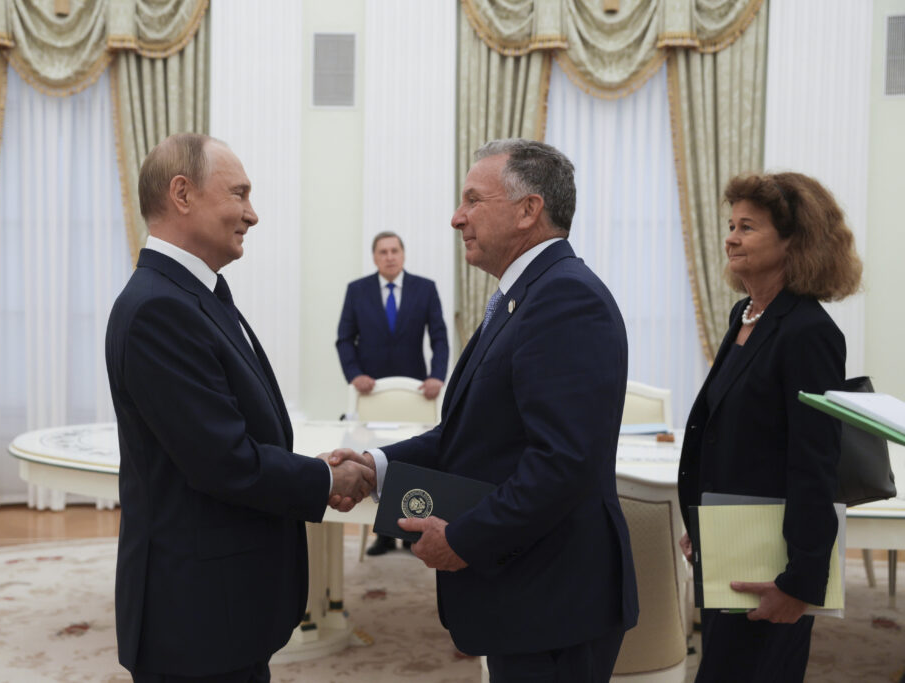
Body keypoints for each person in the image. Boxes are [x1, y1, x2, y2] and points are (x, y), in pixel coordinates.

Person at [330, 139, 638, 682]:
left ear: (528, 211)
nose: (456, 217)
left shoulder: (566, 300)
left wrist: (464, 539)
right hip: (531, 592)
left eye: (473, 200)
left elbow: (562, 463)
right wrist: (374, 466)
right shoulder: (525, 297)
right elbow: (471, 434)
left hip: (555, 599)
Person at [104, 133, 374, 682]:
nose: (252, 214)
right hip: (195, 618)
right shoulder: (160, 308)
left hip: (220, 609)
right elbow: (222, 461)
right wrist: (324, 482)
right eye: (239, 194)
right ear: (182, 194)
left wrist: (313, 468)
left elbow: (234, 434)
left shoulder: (194, 295)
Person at [677, 172, 863, 682]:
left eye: (748, 227)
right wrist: (703, 522)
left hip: (772, 560)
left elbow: (813, 461)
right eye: (731, 225)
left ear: (793, 243)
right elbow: (726, 435)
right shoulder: (746, 314)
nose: (731, 237)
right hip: (730, 543)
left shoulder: (809, 333)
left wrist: (801, 581)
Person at [336, 231, 449, 555]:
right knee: (373, 459)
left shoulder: (424, 289)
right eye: (383, 252)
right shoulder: (357, 291)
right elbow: (345, 339)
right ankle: (383, 534)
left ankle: (412, 531)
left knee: (411, 459)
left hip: (415, 395)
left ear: (403, 254)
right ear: (374, 257)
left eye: (394, 250)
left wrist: (437, 376)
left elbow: (439, 337)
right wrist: (354, 375)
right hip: (372, 397)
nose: (389, 256)